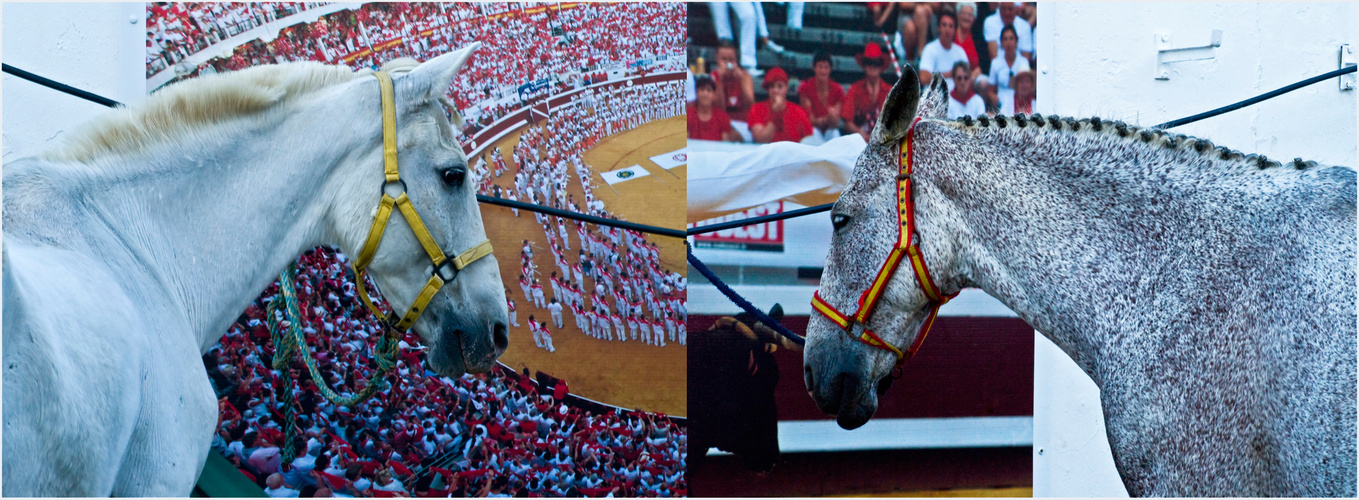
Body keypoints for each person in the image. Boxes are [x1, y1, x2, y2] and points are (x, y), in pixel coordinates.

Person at [842, 43, 893, 141]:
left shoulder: (890, 91)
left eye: (877, 63)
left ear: (881, 66)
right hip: (859, 141)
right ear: (864, 65)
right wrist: (860, 133)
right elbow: (847, 122)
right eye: (869, 62)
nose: (873, 66)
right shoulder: (855, 89)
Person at [748, 67, 813, 144]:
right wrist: (775, 114)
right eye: (772, 86)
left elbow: (809, 140)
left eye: (780, 86)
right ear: (767, 89)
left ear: (786, 88)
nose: (776, 90)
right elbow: (760, 140)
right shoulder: (757, 109)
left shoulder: (798, 111)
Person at [711, 41, 755, 140]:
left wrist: (741, 81)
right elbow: (719, 108)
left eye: (731, 60)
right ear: (717, 59)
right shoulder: (714, 77)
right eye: (724, 59)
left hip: (742, 123)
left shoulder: (745, 76)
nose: (727, 63)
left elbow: (750, 105)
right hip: (722, 123)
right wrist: (720, 81)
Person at [918, 9, 971, 89]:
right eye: (944, 25)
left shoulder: (960, 52)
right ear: (939, 28)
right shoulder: (930, 49)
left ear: (954, 30)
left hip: (957, 97)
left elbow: (967, 77)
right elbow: (923, 78)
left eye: (950, 26)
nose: (947, 29)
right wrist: (951, 74)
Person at [797, 52, 844, 143]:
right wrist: (827, 119)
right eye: (820, 67)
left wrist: (832, 117)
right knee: (812, 133)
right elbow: (809, 120)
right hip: (813, 129)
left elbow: (835, 122)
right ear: (814, 68)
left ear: (830, 70)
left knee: (835, 133)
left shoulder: (838, 89)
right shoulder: (805, 88)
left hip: (830, 130)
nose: (823, 71)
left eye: (826, 67)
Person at [687, 76, 738, 141]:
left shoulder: (722, 117)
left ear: (714, 95)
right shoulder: (688, 115)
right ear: (696, 93)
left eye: (709, 90)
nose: (705, 94)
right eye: (702, 89)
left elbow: (725, 143)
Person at [987, 25, 1030, 95]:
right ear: (1001, 43)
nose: (1008, 43)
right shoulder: (995, 63)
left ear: (1016, 42)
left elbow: (1027, 88)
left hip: (1019, 101)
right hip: (1001, 103)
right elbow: (990, 90)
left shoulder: (1024, 62)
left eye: (1011, 38)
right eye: (1005, 39)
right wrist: (993, 98)